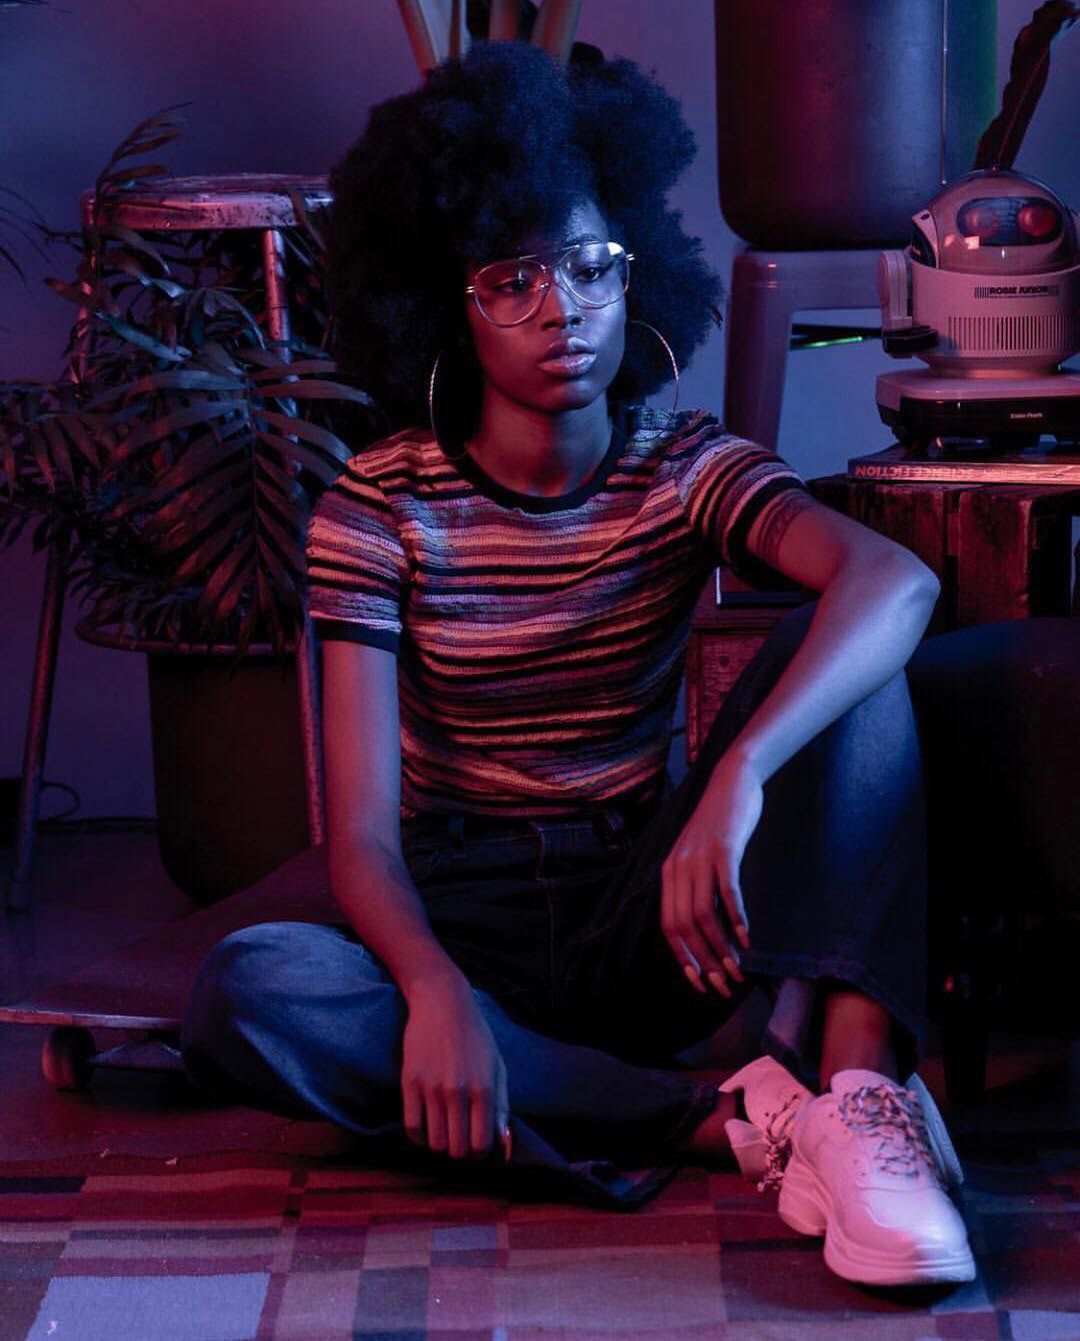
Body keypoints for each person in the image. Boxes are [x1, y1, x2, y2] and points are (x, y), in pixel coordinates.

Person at [180, 41, 975, 1287]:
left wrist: (735, 781)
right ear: (446, 304)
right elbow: (363, 839)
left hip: (649, 917)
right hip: (464, 919)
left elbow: (896, 581)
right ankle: (722, 1121)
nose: (564, 310)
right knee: (250, 987)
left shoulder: (682, 465)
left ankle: (862, 1099)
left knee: (856, 658)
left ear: (634, 270)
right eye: (513, 281)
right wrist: (433, 992)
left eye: (593, 266)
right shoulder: (379, 508)